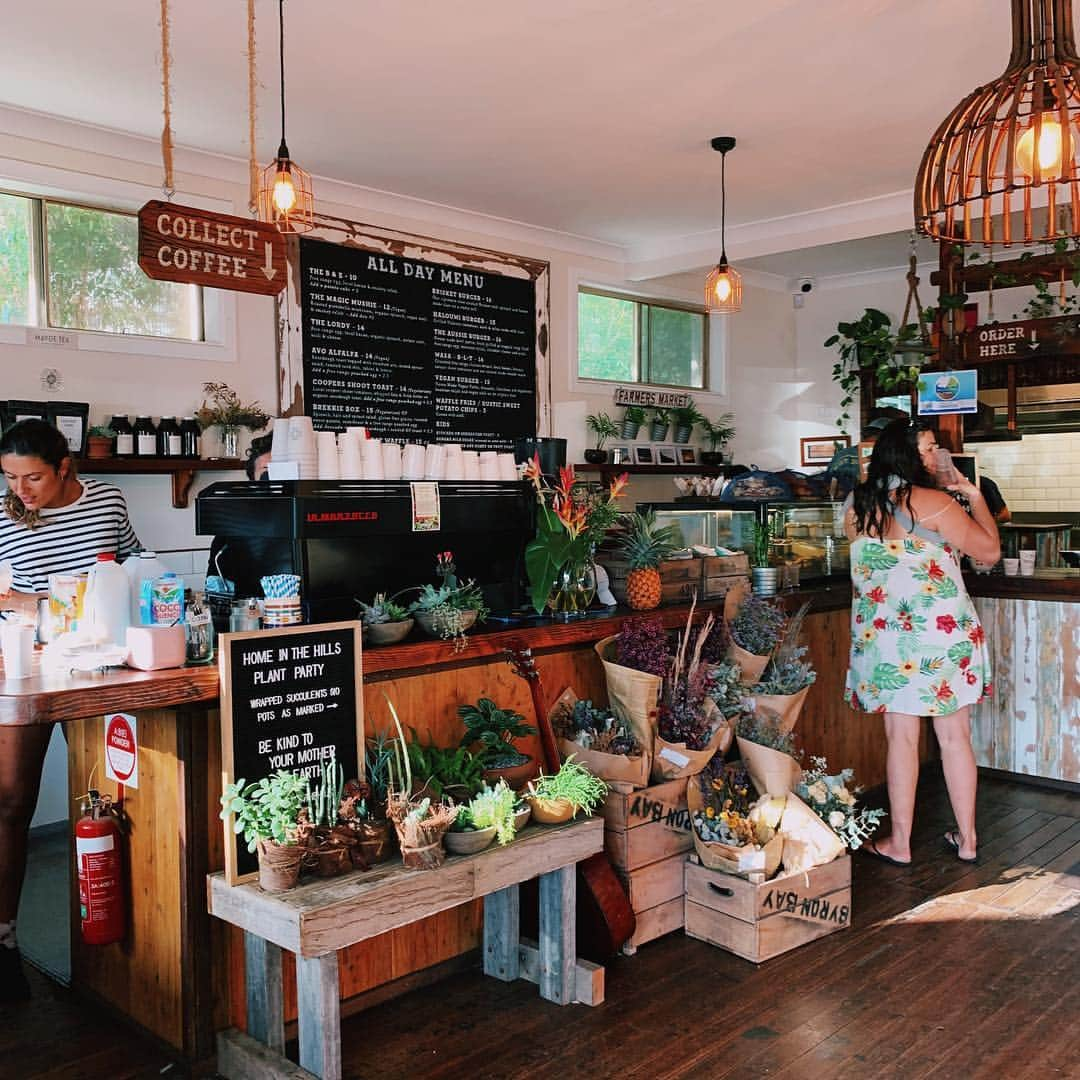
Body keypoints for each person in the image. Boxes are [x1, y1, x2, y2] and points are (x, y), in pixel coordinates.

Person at [0, 419, 139, 1000]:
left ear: (63, 467)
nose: (21, 490)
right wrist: (43, 600)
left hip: (98, 666)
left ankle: (118, 954)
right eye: (10, 478)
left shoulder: (106, 500)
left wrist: (43, 596)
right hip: (27, 663)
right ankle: (4, 941)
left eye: (32, 476)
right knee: (10, 800)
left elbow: (132, 570)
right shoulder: (4, 512)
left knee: (105, 797)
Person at [844, 418, 1000, 867]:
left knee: (901, 740)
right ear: (908, 455)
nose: (936, 458)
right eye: (929, 449)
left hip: (887, 641)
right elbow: (988, 552)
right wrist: (972, 497)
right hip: (942, 640)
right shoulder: (933, 502)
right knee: (954, 738)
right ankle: (967, 839)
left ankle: (900, 842)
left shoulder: (857, 505)